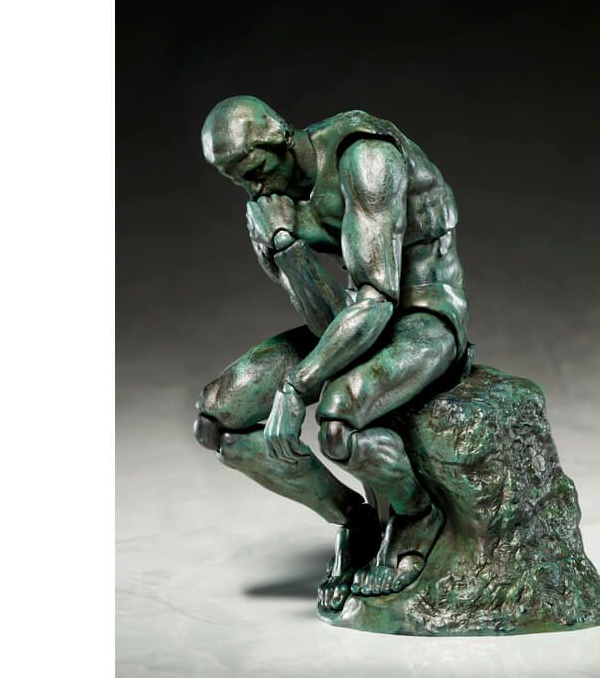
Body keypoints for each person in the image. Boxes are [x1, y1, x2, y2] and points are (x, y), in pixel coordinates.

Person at [193, 96, 469, 611]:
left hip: (424, 315)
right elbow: (329, 319)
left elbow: (379, 298)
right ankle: (353, 519)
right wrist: (287, 250)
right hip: (357, 316)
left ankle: (416, 517)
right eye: (238, 180)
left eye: (255, 170)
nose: (255, 189)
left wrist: (298, 385)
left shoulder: (365, 157)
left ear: (278, 133)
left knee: (338, 420)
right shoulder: (270, 205)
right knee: (216, 420)